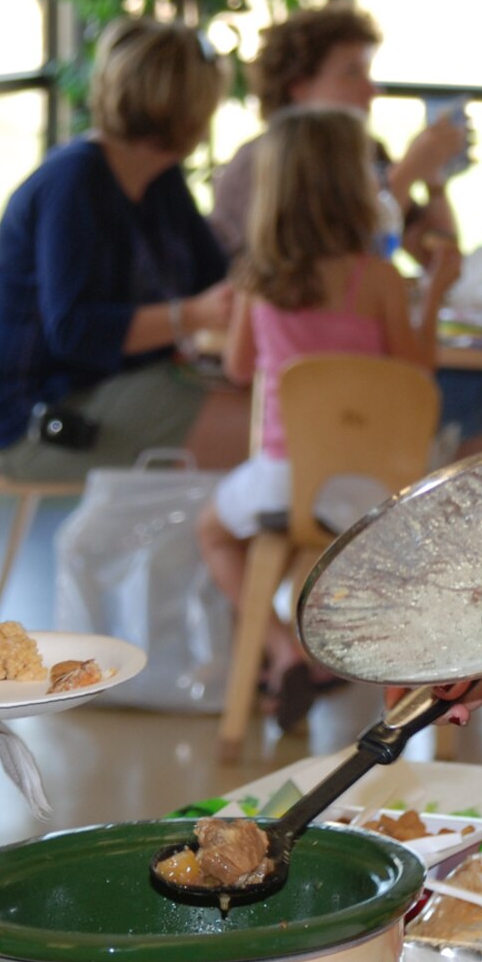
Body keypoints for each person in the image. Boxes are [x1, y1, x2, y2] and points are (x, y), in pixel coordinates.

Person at [195, 106, 458, 729]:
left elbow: (238, 368)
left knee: (211, 530)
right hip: (371, 491)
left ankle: (283, 646)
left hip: (282, 480)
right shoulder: (378, 280)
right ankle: (340, 657)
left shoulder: (257, 278)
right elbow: (416, 370)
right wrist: (438, 295)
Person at [210, 4, 482, 459]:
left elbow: (434, 252)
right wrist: (405, 174)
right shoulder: (264, 164)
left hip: (358, 367)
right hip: (304, 389)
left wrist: (433, 178)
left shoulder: (368, 153)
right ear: (300, 87)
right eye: (351, 74)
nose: (371, 89)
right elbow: (320, 264)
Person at [0, 16, 245, 480]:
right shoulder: (73, 184)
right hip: (45, 420)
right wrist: (193, 315)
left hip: (118, 386)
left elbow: (215, 278)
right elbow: (75, 330)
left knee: (270, 412)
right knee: (271, 436)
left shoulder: (159, 179)